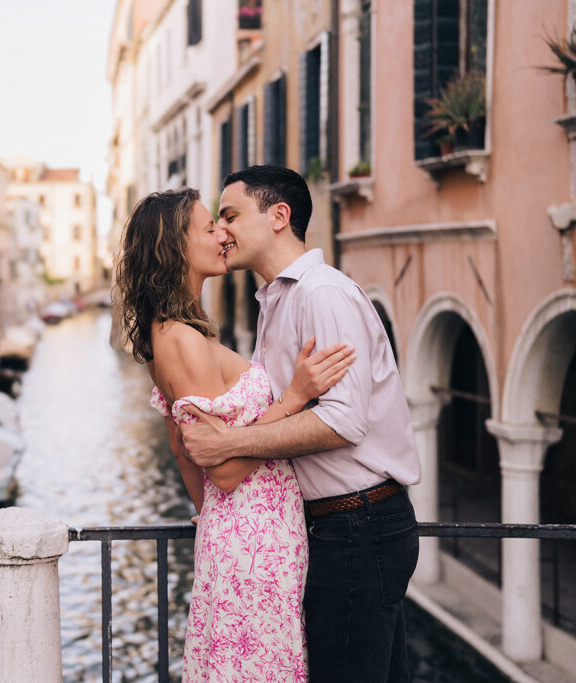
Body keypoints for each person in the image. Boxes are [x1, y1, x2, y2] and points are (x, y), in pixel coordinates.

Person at [179, 165, 422, 682]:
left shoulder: (320, 294)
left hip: (359, 524)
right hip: (340, 526)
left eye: (231, 215)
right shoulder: (279, 299)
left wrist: (229, 445)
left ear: (278, 217)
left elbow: (343, 421)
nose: (222, 230)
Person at [113, 187, 355, 681]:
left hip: (248, 538)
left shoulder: (181, 331)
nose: (223, 233)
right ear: (174, 248)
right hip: (253, 543)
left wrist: (217, 523)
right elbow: (222, 471)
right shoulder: (182, 340)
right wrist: (294, 396)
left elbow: (186, 453)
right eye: (209, 228)